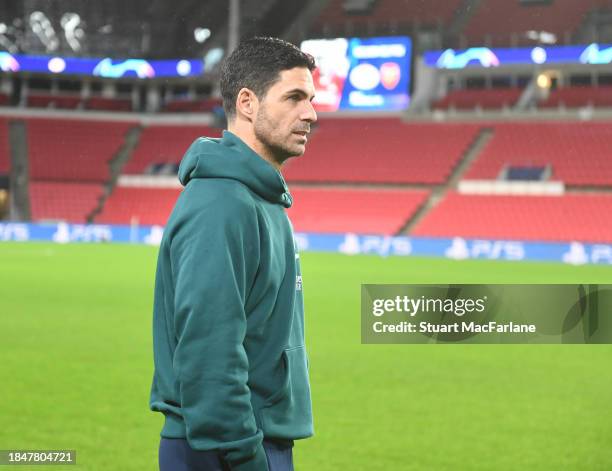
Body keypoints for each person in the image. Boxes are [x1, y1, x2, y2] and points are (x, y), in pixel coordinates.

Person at [149, 36, 317, 471]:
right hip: (224, 447)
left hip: (253, 438)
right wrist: (244, 454)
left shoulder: (260, 198)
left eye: (311, 99)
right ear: (247, 102)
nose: (311, 114)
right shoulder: (221, 204)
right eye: (294, 97)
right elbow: (209, 351)